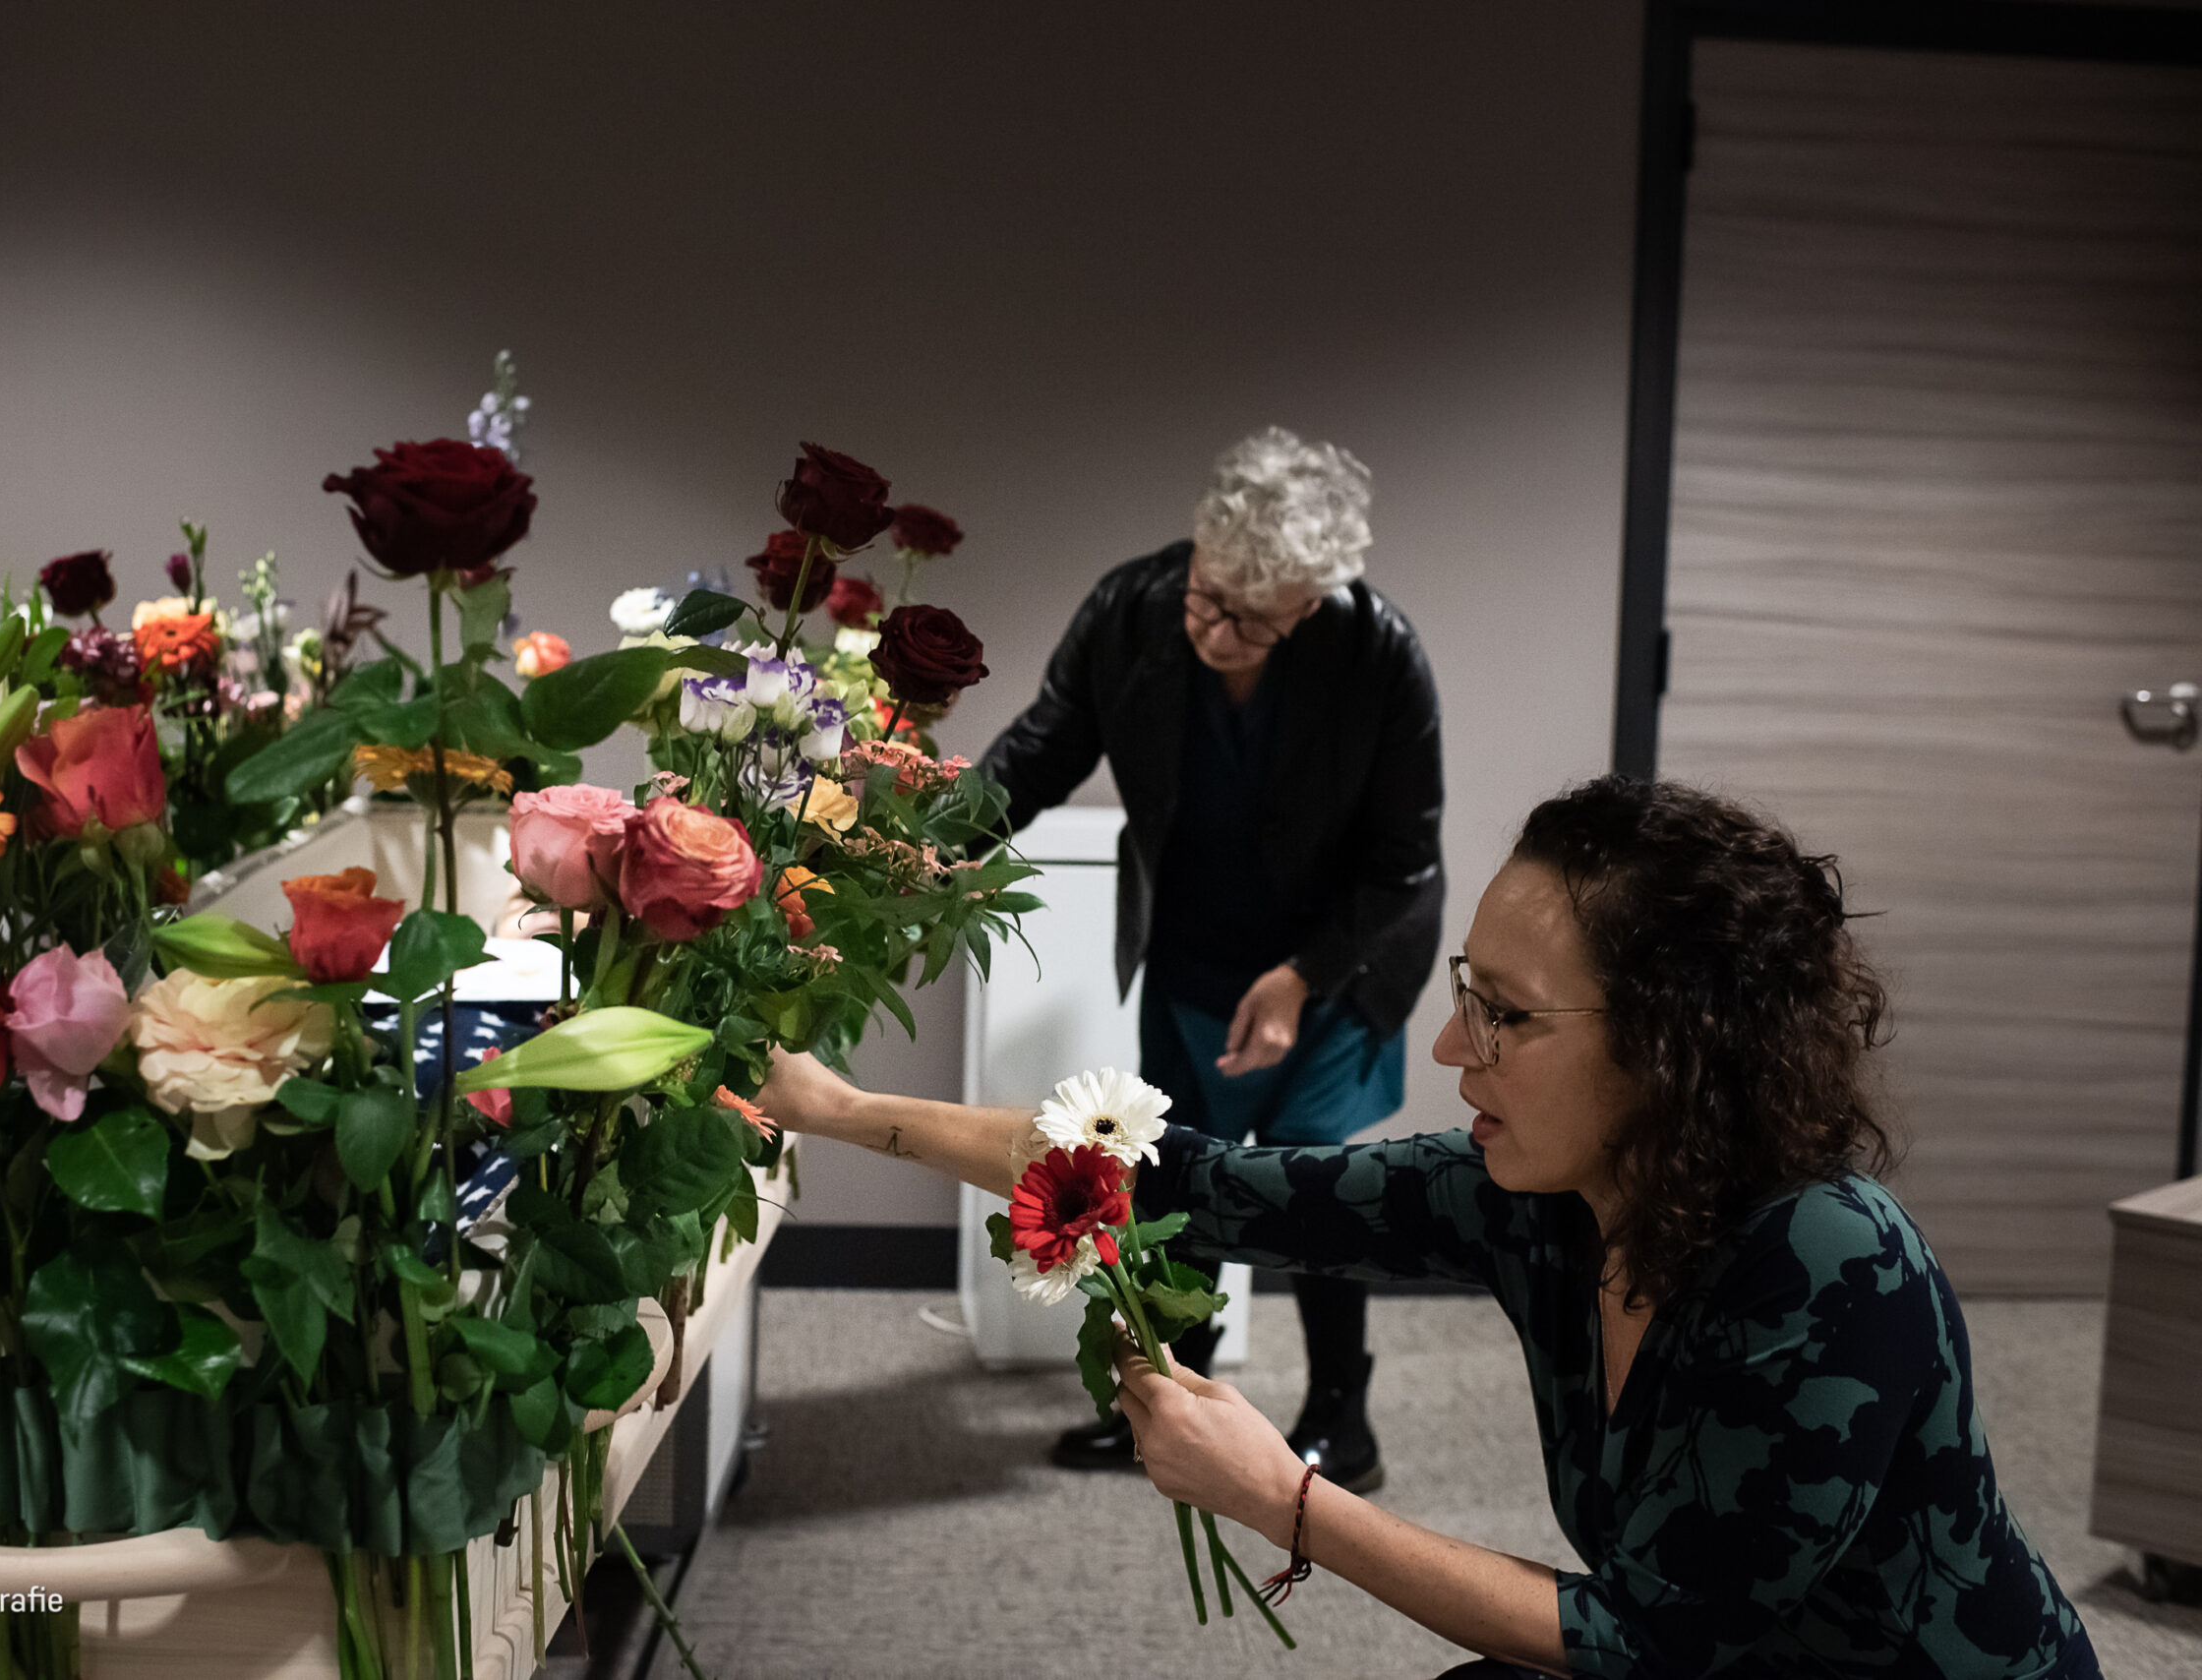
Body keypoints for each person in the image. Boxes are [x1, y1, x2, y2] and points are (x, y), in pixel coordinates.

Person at [754, 777, 2098, 1677]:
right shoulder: (1537, 1201)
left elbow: (1644, 1640)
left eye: (1506, 1014)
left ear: (1677, 1051)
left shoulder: (1827, 1259)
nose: (1452, 1046)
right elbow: (1180, 1176)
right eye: (1466, 993)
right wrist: (843, 1105)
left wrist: (1280, 1496)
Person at [978, 425, 1443, 1488]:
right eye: (1207, 592)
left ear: (1309, 605)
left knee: (1311, 1185)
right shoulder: (1132, 608)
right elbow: (1045, 743)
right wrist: (926, 843)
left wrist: (1301, 979)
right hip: (1193, 942)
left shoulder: (1378, 657)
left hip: (1339, 961)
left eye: (1248, 619)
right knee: (1175, 1174)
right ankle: (1168, 1407)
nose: (1212, 629)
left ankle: (1341, 1416)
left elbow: (1404, 859)